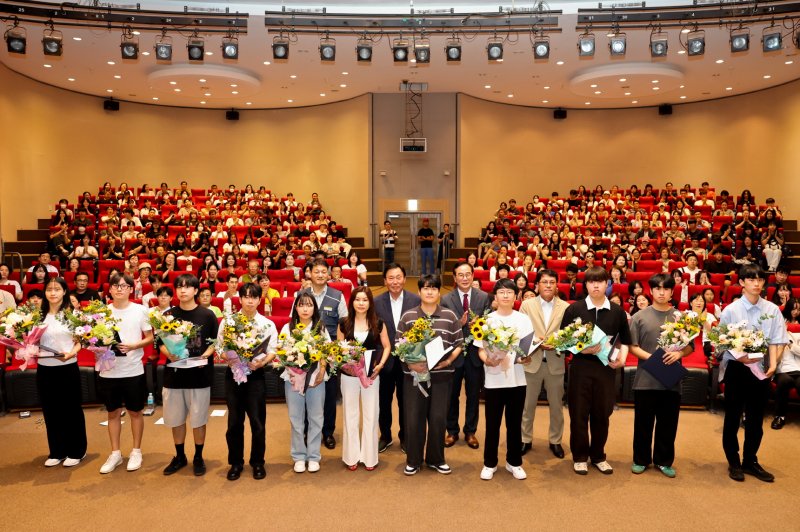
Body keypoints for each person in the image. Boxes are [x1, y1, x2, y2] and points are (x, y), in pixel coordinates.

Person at [718, 264, 787, 482]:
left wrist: (774, 365)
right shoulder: (731, 310)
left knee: (756, 419)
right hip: (737, 368)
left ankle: (750, 461)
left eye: (760, 279)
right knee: (732, 417)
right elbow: (722, 343)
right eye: (751, 279)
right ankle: (734, 462)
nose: (756, 283)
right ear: (742, 283)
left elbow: (777, 340)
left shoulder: (772, 310)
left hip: (762, 369)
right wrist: (740, 356)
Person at [559, 266, 631, 475]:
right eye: (591, 282)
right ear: (586, 285)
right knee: (579, 413)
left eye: (600, 281)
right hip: (581, 368)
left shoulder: (617, 311)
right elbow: (563, 341)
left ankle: (598, 456)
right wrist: (582, 347)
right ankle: (580, 456)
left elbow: (624, 341)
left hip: (607, 369)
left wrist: (622, 359)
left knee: (602, 414)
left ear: (607, 284)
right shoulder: (574, 309)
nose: (596, 285)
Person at [628, 273, 694, 478]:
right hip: (646, 379)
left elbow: (690, 346)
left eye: (666, 289)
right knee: (643, 423)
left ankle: (664, 461)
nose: (662, 292)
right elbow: (632, 346)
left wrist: (679, 353)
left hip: (670, 380)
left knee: (668, 423)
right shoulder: (639, 317)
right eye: (658, 288)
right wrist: (653, 358)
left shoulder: (681, 318)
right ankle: (641, 459)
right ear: (651, 291)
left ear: (672, 292)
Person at [398, 275, 464, 476]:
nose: (429, 292)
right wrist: (411, 363)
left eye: (434, 289)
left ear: (438, 292)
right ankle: (413, 460)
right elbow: (398, 345)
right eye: (426, 288)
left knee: (437, 418)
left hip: (441, 376)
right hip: (414, 377)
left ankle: (436, 459)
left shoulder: (450, 316)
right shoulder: (408, 316)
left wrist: (449, 361)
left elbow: (459, 344)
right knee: (414, 418)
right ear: (419, 292)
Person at [474, 278, 534, 481]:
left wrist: (526, 358)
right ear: (495, 296)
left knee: (514, 423)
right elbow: (480, 349)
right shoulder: (487, 320)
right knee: (492, 424)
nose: (506, 295)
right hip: (494, 380)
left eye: (509, 292)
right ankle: (489, 463)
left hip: (517, 380)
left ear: (515, 296)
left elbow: (527, 348)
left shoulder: (523, 320)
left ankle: (514, 462)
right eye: (501, 292)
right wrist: (487, 361)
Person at [160, 274, 219, 477]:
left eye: (187, 287)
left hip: (199, 375)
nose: (182, 290)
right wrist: (171, 354)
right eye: (179, 287)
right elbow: (159, 343)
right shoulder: (167, 316)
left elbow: (214, 342)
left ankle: (198, 457)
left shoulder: (208, 315)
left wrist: (205, 356)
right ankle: (179, 456)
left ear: (196, 291)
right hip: (174, 375)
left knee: (198, 419)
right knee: (176, 419)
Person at [98, 273, 155, 474]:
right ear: (110, 289)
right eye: (115, 285)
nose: (119, 288)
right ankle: (115, 453)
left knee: (135, 412)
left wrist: (134, 345)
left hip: (133, 369)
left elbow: (150, 338)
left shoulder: (140, 310)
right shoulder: (102, 312)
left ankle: (136, 450)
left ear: (131, 289)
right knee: (112, 413)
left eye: (124, 285)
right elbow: (92, 339)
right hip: (108, 371)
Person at [221, 283, 278, 481]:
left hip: (255, 376)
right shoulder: (228, 322)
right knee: (234, 422)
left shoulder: (266, 324)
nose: (250, 301)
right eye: (246, 297)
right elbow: (220, 346)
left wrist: (262, 362)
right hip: (234, 376)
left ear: (259, 300)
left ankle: (257, 462)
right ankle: (236, 463)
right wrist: (228, 357)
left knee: (257, 422)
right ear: (240, 299)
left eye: (253, 297)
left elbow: (272, 350)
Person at [337, 286, 391, 471]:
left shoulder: (378, 322)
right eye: (357, 299)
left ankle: (369, 457)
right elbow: (339, 349)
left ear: (370, 303)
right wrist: (346, 365)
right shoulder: (343, 323)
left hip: (371, 375)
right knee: (350, 415)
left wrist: (380, 365)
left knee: (371, 415)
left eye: (365, 300)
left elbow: (387, 346)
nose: (361, 303)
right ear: (352, 302)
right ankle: (351, 456)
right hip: (349, 376)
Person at [441, 261, 492, 450]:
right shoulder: (446, 299)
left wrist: (480, 325)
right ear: (454, 278)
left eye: (468, 274)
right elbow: (443, 327)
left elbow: (489, 323)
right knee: (451, 395)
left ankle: (470, 431)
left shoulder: (483, 297)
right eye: (460, 275)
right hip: (454, 355)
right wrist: (459, 324)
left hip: (474, 354)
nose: (464, 278)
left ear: (473, 276)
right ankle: (452, 431)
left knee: (473, 395)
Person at [519, 269, 570, 459]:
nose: (548, 285)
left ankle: (555, 441)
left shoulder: (566, 307)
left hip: (555, 362)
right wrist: (535, 341)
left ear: (557, 285)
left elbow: (570, 335)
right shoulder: (526, 305)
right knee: (527, 405)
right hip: (532, 361)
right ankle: (525, 439)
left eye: (552, 282)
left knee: (556, 406)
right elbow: (520, 332)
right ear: (537, 285)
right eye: (544, 282)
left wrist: (557, 343)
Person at [37, 277, 87, 467]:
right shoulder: (38, 316)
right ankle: (57, 451)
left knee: (71, 410)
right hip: (45, 368)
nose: (53, 293)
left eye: (57, 289)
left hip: (67, 367)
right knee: (50, 410)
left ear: (64, 292)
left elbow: (81, 341)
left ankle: (77, 450)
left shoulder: (72, 314)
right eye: (49, 289)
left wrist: (71, 353)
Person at [374, 263, 421, 453]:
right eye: (391, 278)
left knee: (406, 401)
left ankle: (405, 436)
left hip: (407, 361)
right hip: (383, 361)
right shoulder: (376, 302)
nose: (395, 281)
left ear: (404, 278)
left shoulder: (415, 300)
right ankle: (385, 436)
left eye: (398, 277)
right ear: (385, 281)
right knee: (383, 401)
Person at [280, 291, 329, 473]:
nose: (305, 308)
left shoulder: (320, 328)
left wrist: (322, 370)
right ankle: (299, 456)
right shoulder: (288, 328)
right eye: (301, 304)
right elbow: (282, 353)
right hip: (293, 379)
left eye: (309, 305)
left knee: (316, 417)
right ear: (296, 307)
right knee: (296, 418)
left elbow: (326, 351)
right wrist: (292, 370)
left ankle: (314, 456)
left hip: (316, 379)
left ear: (314, 307)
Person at [303, 258, 348, 450]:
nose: (320, 275)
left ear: (328, 274)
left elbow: (344, 325)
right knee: (306, 391)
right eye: (316, 271)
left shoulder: (338, 295)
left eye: (324, 272)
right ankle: (307, 430)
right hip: (305, 353)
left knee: (330, 395)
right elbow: (293, 321)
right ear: (310, 274)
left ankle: (328, 432)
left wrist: (336, 349)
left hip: (330, 354)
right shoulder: (302, 294)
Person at [772, 298, 800, 430]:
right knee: (783, 382)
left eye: (799, 309)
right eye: (793, 308)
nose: (796, 312)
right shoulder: (779, 324)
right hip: (783, 368)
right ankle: (779, 416)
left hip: (798, 368)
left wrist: (790, 342)